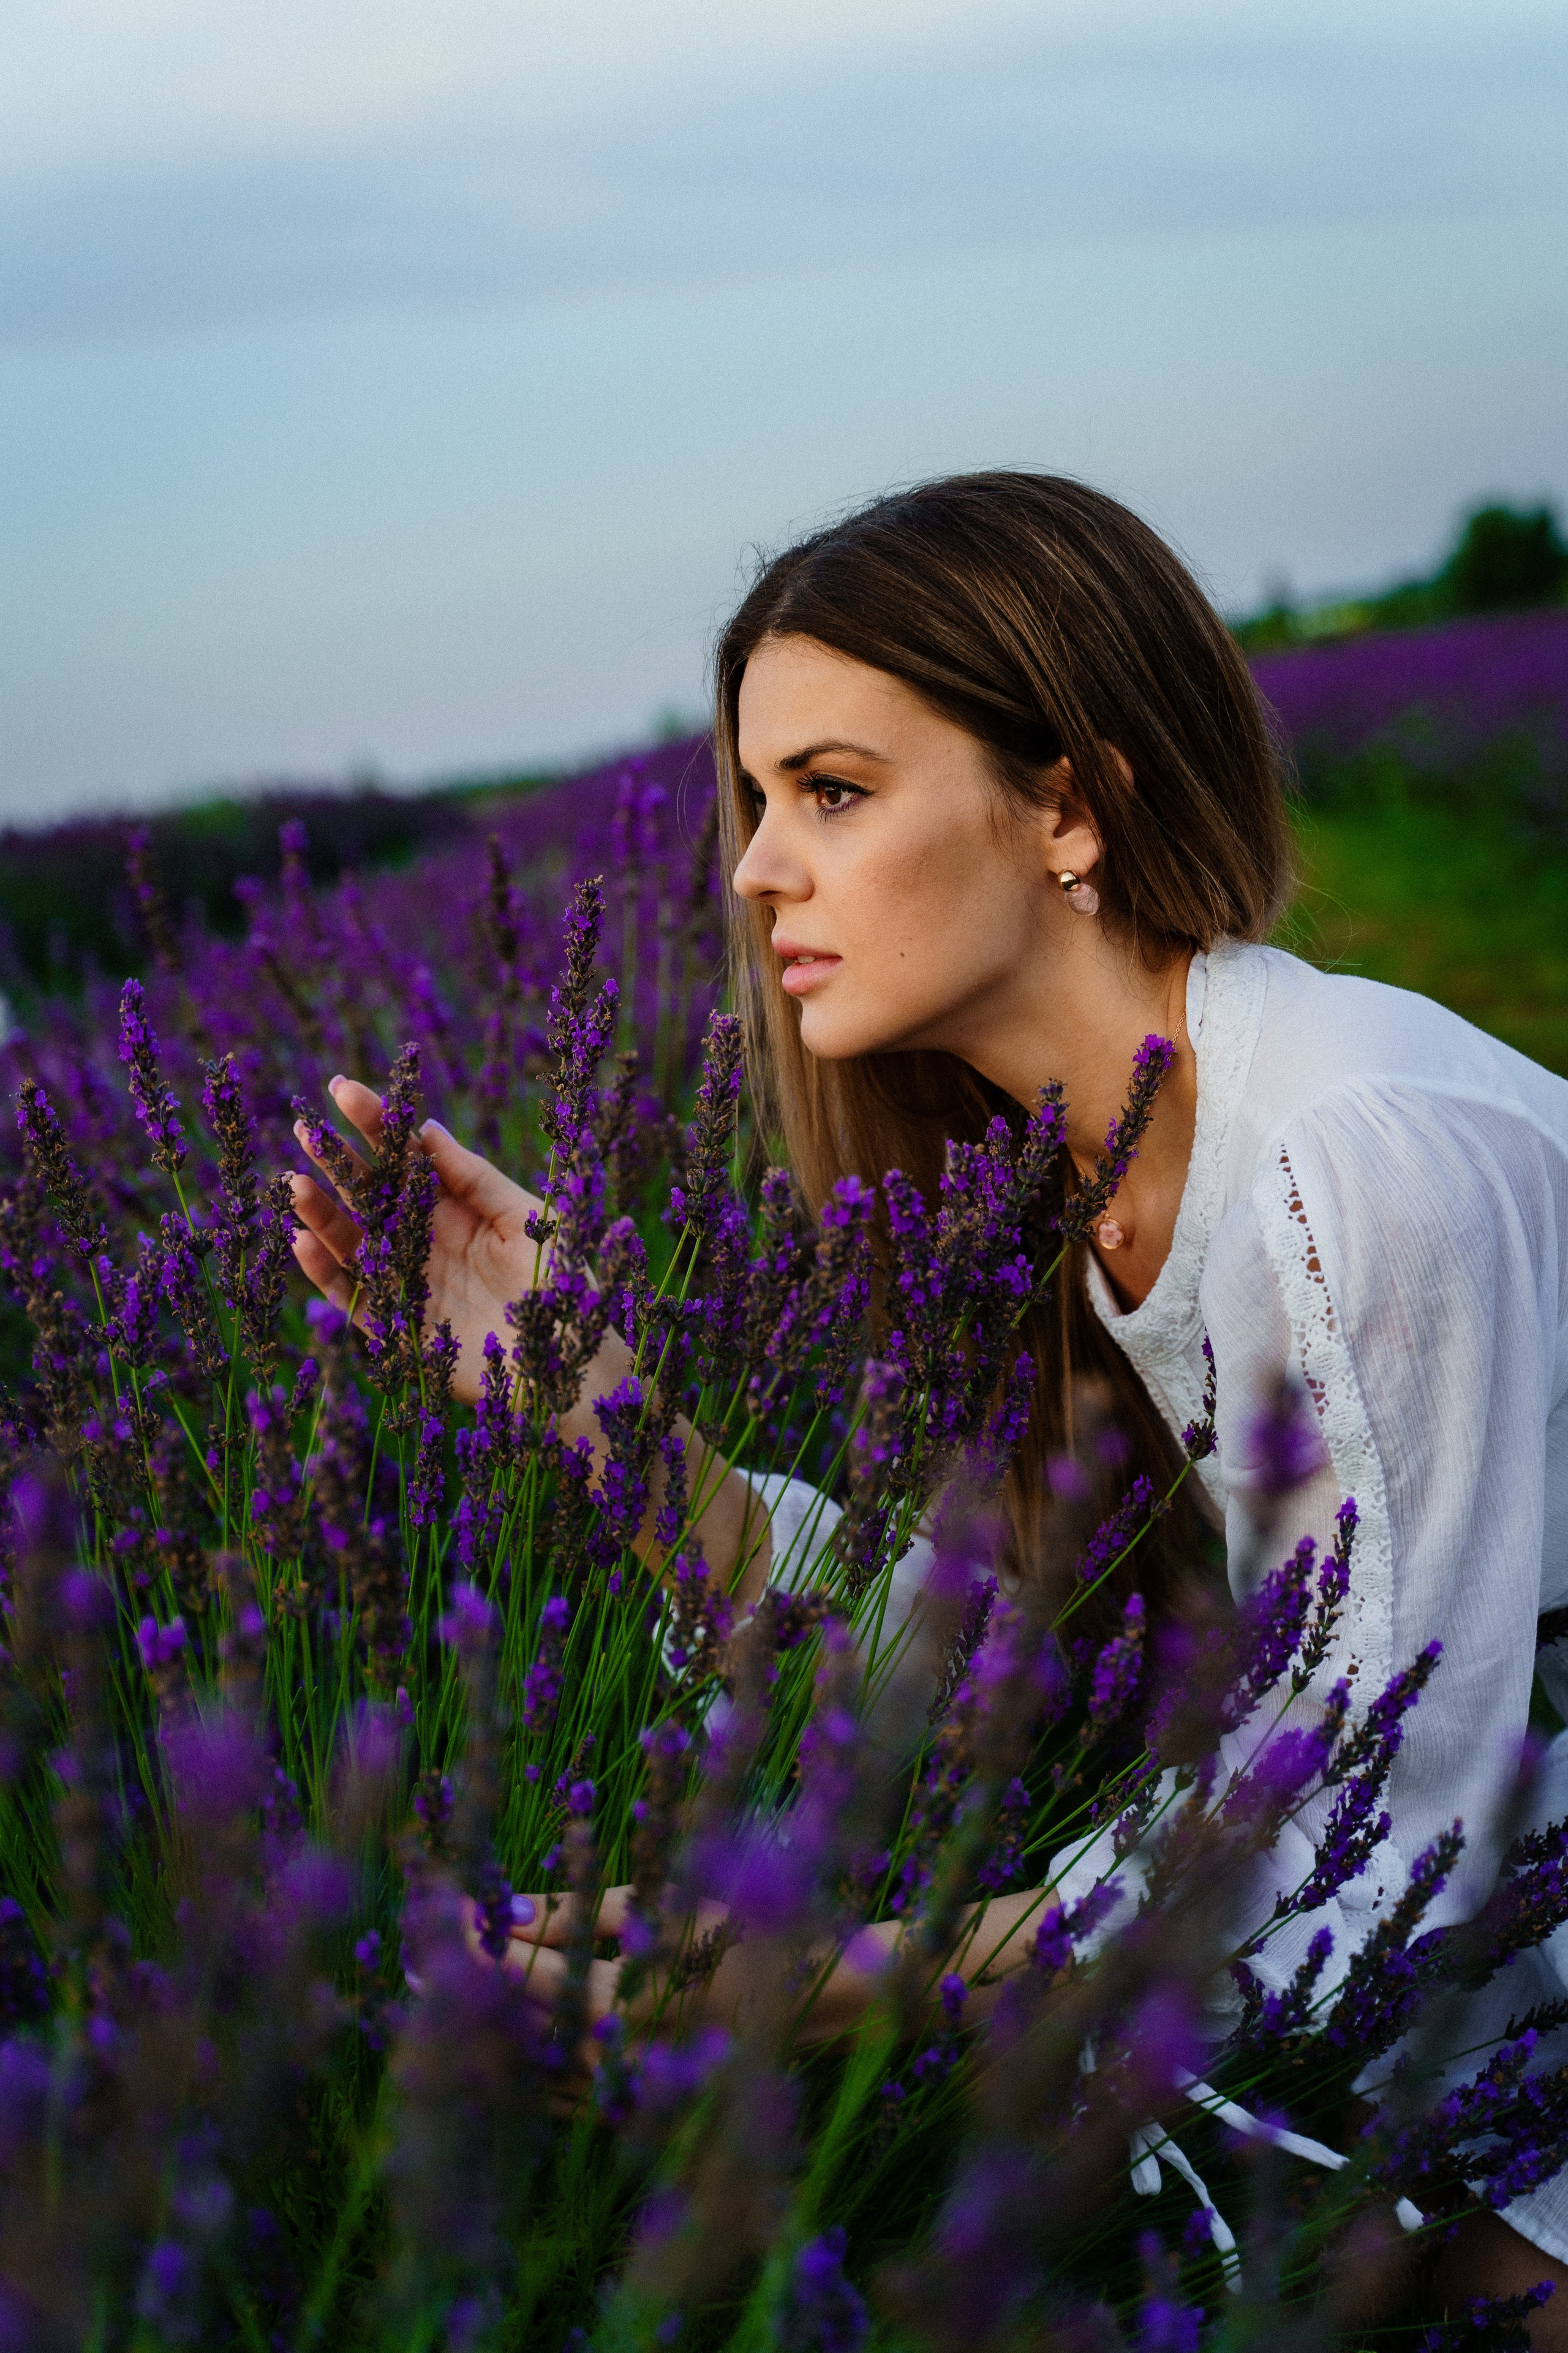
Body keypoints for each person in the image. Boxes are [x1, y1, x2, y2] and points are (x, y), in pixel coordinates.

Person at [291, 473, 1568, 2330]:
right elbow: (1042, 1681)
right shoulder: (1085, 1188)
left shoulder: (1351, 1170)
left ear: (1070, 803)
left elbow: (1363, 1859)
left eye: (831, 790)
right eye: (754, 801)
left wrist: (806, 1979)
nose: (751, 868)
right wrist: (612, 1420)